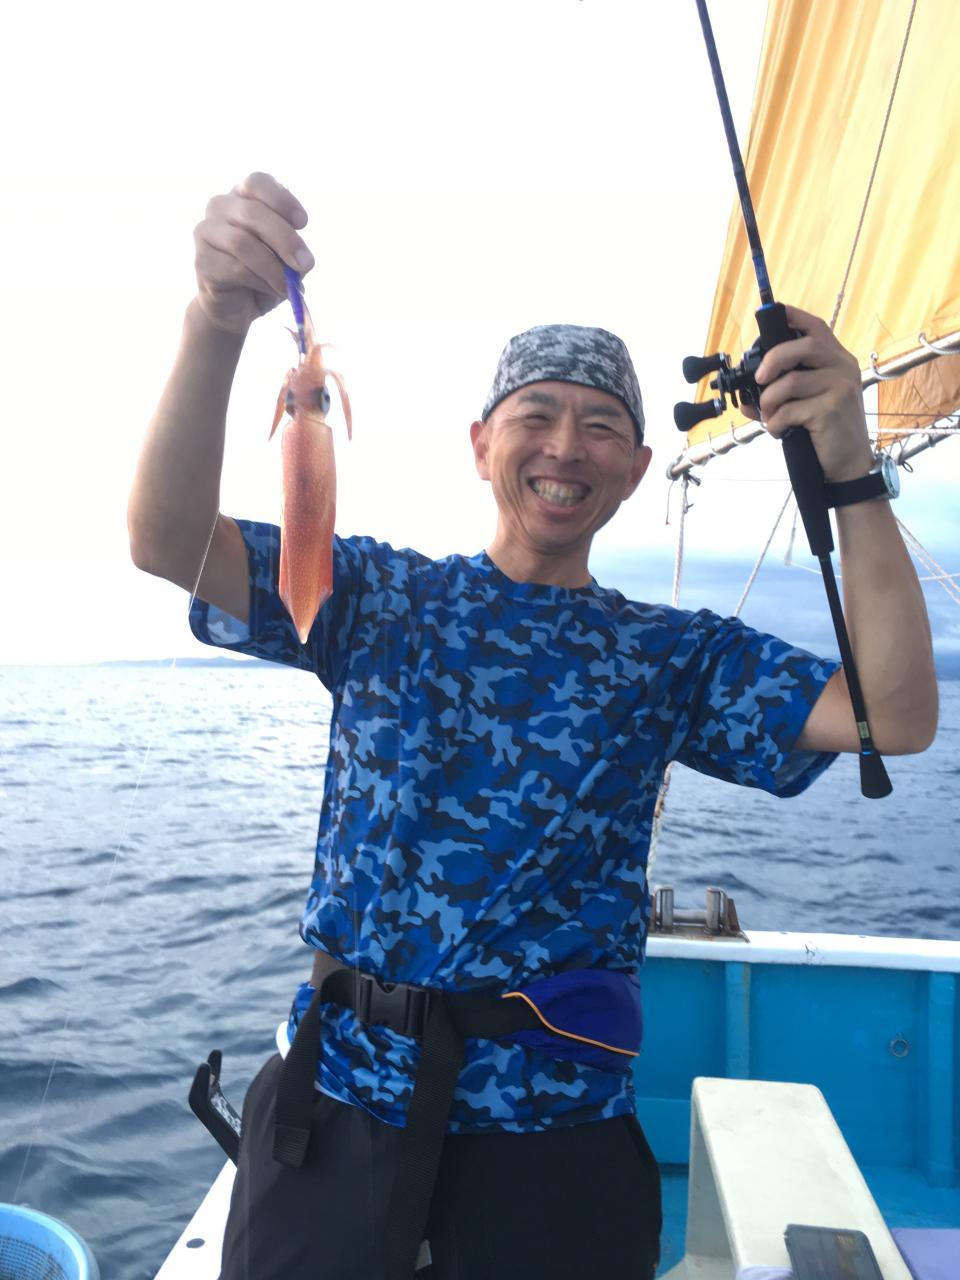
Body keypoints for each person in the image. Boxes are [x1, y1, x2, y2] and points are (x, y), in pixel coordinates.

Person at [128, 173, 938, 1280]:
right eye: (537, 415)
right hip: (341, 1102)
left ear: (637, 470)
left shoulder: (673, 655)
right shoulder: (376, 598)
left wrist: (847, 463)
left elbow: (896, 712)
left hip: (554, 1129)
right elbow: (167, 538)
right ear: (480, 444)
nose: (567, 445)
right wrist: (214, 322)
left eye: (602, 425)